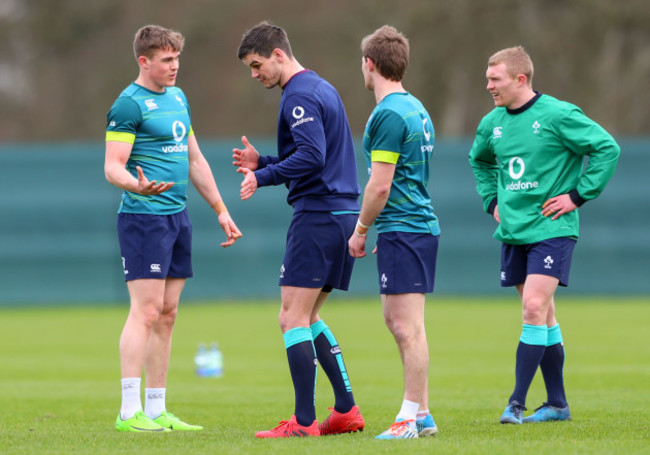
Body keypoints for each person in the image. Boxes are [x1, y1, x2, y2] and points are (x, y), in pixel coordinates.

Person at [469, 46, 620, 424]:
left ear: (520, 79)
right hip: (514, 229)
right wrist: (492, 201)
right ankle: (557, 404)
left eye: (495, 79)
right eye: (488, 78)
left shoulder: (558, 114)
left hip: (553, 228)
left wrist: (577, 195)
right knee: (545, 315)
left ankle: (516, 403)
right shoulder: (493, 123)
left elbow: (607, 148)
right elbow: (479, 160)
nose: (488, 85)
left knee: (534, 308)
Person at [105, 24, 242, 432]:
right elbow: (112, 167)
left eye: (177, 58)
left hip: (177, 217)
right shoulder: (128, 105)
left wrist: (220, 208)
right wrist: (137, 184)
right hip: (143, 218)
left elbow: (195, 160)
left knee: (167, 314)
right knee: (145, 312)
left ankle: (157, 408)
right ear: (143, 61)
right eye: (166, 60)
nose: (174, 66)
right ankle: (128, 413)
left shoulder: (179, 98)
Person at [233, 21, 365, 438]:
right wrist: (265, 162)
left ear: (278, 54)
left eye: (257, 65)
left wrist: (263, 177)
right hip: (341, 214)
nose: (255, 75)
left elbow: (311, 156)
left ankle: (304, 422)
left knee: (291, 318)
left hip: (318, 216)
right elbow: (315, 154)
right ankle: (344, 409)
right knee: (307, 316)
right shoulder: (321, 87)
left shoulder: (299, 96)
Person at [348, 25, 440, 440]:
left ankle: (408, 419)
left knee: (407, 326)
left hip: (405, 226)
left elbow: (380, 185)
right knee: (397, 319)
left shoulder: (387, 113)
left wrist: (361, 228)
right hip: (407, 227)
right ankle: (421, 413)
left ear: (369, 64)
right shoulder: (415, 106)